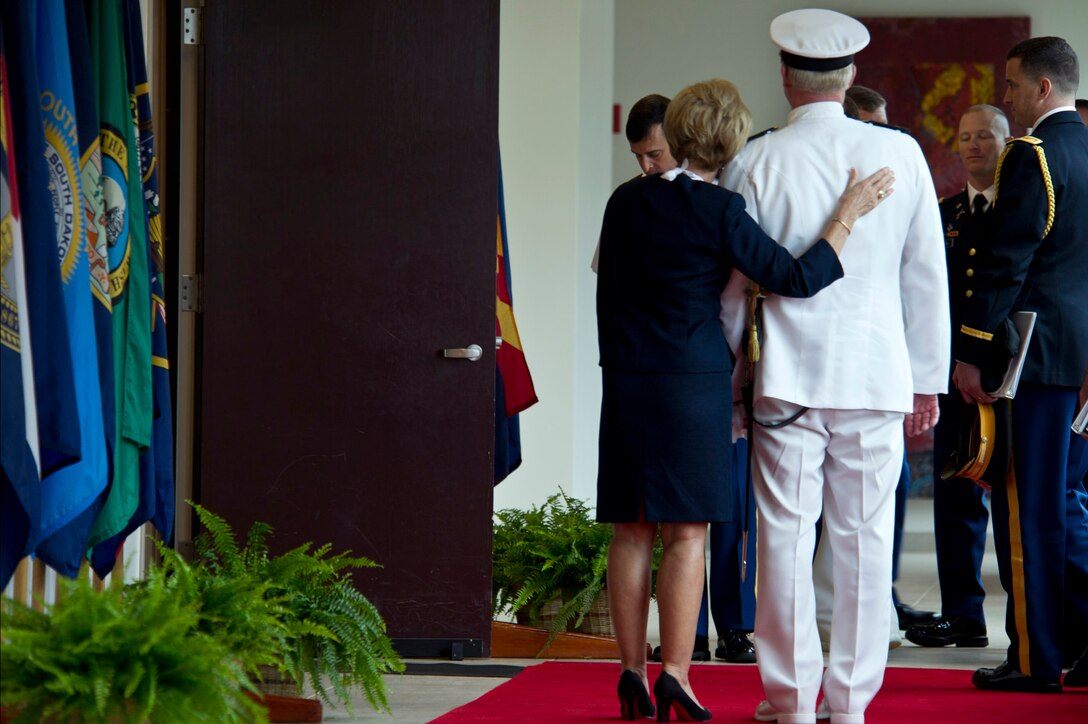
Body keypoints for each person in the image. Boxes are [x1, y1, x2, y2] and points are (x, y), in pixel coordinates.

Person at [596, 77, 894, 722]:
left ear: (673, 136)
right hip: (692, 384)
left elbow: (608, 288)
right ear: (731, 146)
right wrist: (847, 213)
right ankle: (676, 671)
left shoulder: (624, 202)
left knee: (631, 528)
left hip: (624, 380)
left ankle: (629, 672)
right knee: (687, 534)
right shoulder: (721, 210)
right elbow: (795, 278)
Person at [720, 10, 949, 722]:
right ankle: (848, 706)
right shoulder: (902, 155)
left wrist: (733, 374)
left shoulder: (753, 160)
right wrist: (926, 379)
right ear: (851, 77)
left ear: (785, 77)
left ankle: (790, 701)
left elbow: (732, 289)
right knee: (865, 541)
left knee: (784, 542)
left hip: (786, 376)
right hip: (876, 375)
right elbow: (925, 277)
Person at [951, 36, 1088, 693]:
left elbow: (1009, 262)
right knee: (1069, 503)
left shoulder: (1033, 154)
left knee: (1033, 511)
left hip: (1040, 359)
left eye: (1010, 84)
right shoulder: (1087, 147)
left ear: (1040, 89)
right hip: (1081, 358)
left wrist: (973, 350)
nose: (1004, 95)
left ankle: (1037, 662)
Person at [905, 105, 1010, 650]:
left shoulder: (1022, 209)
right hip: (952, 376)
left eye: (984, 136)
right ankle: (963, 615)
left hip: (1007, 379)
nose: (973, 146)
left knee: (1013, 502)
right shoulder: (943, 215)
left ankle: (1029, 623)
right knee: (955, 493)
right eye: (965, 137)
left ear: (1006, 140)